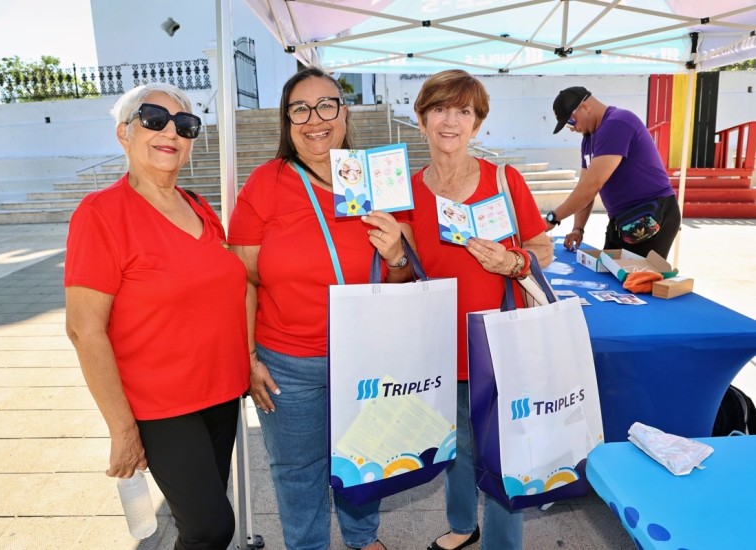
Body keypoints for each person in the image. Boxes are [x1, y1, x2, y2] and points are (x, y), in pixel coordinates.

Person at [228, 66, 412, 550]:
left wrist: (396, 255)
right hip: (288, 361)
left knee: (365, 456)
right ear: (287, 122)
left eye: (327, 104)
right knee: (296, 470)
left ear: (344, 112)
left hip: (367, 355)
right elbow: (241, 279)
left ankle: (362, 537)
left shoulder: (376, 176)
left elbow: (406, 278)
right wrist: (246, 358)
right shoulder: (265, 183)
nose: (315, 119)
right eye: (300, 109)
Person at [64, 83, 249, 549]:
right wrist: (122, 428)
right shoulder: (101, 213)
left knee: (204, 520)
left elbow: (228, 289)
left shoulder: (200, 206)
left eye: (185, 126)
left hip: (222, 393)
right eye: (154, 119)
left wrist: (249, 357)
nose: (171, 132)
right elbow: (84, 329)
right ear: (124, 134)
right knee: (211, 528)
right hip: (161, 404)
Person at [408, 69, 553, 550]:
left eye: (463, 111)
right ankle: (461, 526)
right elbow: (403, 268)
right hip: (437, 344)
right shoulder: (406, 191)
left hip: (500, 343)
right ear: (423, 117)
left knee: (504, 451)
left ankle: (501, 543)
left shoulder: (503, 180)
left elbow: (542, 248)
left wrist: (513, 261)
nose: (451, 121)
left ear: (478, 123)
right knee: (456, 444)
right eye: (440, 109)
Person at [548, 86, 681, 258]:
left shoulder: (617, 123)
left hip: (648, 215)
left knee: (635, 280)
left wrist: (553, 218)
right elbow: (584, 187)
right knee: (609, 277)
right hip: (622, 220)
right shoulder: (588, 140)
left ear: (585, 107)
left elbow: (592, 185)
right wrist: (578, 228)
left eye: (571, 122)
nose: (572, 128)